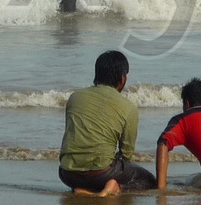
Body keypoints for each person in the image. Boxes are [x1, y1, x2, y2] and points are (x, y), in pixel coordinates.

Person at [58, 50, 157, 195]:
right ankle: (115, 188)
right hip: (101, 173)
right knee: (148, 180)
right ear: (122, 79)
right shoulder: (128, 107)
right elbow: (126, 154)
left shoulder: (75, 97)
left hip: (67, 173)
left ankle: (84, 190)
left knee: (95, 173)